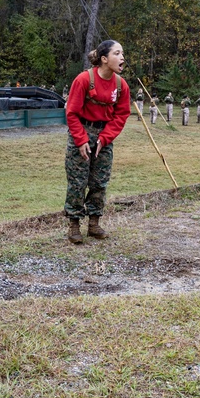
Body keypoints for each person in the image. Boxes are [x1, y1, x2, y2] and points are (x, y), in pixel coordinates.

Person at [64, 39, 131, 244]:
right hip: (82, 134)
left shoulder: (121, 85)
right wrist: (81, 139)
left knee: (99, 182)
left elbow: (121, 115)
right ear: (104, 59)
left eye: (122, 54)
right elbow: (72, 112)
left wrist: (105, 138)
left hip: (104, 137)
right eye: (117, 53)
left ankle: (94, 224)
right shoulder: (84, 80)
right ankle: (74, 225)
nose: (122, 58)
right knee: (78, 181)